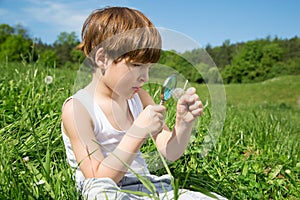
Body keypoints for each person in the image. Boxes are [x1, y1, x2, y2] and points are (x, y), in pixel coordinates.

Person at [61, 6, 226, 200]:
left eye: (148, 68)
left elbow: (170, 152)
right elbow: (98, 177)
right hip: (104, 191)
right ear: (102, 58)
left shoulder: (139, 98)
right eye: (137, 66)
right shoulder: (78, 108)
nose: (145, 78)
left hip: (145, 186)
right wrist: (137, 132)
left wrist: (183, 125)